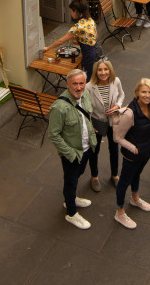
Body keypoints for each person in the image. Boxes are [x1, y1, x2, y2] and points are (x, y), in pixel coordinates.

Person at [48, 69, 97, 229]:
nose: (78, 87)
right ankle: (71, 212)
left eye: (81, 83)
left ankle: (71, 198)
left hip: (86, 148)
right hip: (73, 152)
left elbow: (87, 116)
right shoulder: (59, 108)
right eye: (74, 84)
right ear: (67, 85)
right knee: (70, 181)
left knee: (78, 175)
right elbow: (54, 135)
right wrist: (70, 154)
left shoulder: (86, 95)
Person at [113, 78, 150, 229]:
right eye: (144, 92)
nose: (147, 95)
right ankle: (119, 212)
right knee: (124, 182)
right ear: (137, 93)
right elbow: (117, 137)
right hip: (133, 155)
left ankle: (135, 198)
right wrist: (134, 149)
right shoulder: (130, 113)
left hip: (147, 151)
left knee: (136, 175)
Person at [86, 58, 125, 192]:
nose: (103, 72)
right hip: (97, 122)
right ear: (95, 72)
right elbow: (85, 107)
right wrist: (89, 124)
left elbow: (121, 95)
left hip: (112, 122)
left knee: (114, 149)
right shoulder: (89, 87)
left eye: (106, 69)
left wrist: (117, 106)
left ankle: (115, 175)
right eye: (100, 70)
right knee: (94, 150)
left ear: (110, 70)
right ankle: (94, 177)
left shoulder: (116, 81)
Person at [43, 0, 97, 82]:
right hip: (93, 52)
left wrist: (48, 48)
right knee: (88, 76)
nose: (71, 14)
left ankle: (84, 94)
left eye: (71, 11)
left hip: (87, 55)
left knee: (86, 79)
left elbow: (61, 41)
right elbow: (95, 35)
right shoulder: (90, 20)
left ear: (76, 11)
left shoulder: (77, 27)